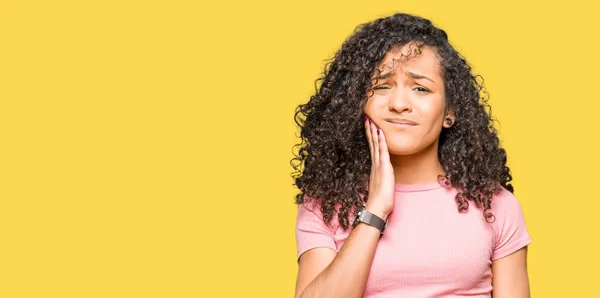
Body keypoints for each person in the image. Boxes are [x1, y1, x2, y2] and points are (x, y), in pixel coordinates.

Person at [290, 12, 532, 298]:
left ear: (450, 112)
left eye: (421, 88)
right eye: (381, 86)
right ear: (357, 103)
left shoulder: (495, 205)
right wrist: (375, 211)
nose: (400, 104)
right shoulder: (325, 205)